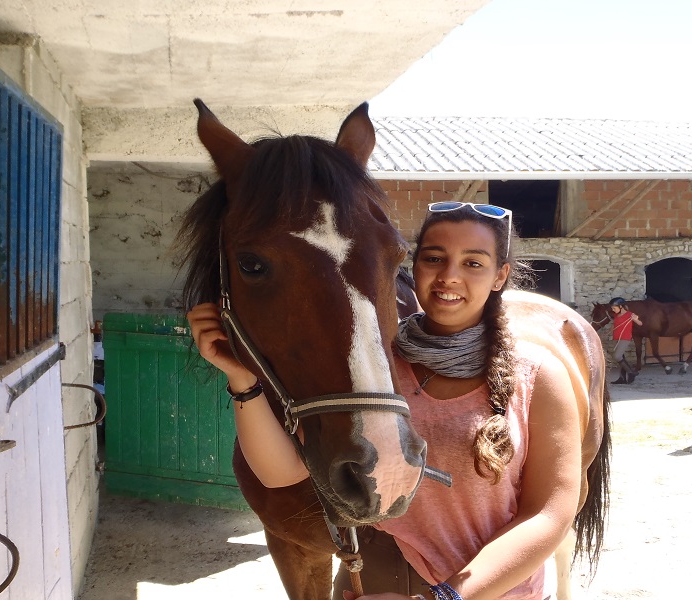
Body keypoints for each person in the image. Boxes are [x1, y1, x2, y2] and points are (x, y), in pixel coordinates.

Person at [187, 201, 583, 600]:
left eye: (473, 263)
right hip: (377, 584)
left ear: (500, 277)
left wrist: (441, 598)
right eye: (434, 258)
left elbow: (549, 512)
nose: (449, 276)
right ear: (412, 266)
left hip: (494, 590)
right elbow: (283, 473)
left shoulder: (539, 375)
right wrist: (242, 378)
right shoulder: (372, 369)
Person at [607, 297, 642, 384]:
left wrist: (635, 319)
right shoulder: (616, 315)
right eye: (612, 308)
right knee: (621, 357)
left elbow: (640, 323)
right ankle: (622, 378)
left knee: (617, 356)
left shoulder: (629, 314)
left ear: (621, 307)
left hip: (625, 338)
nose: (613, 310)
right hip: (617, 338)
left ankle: (631, 372)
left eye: (614, 308)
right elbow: (615, 325)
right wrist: (608, 332)